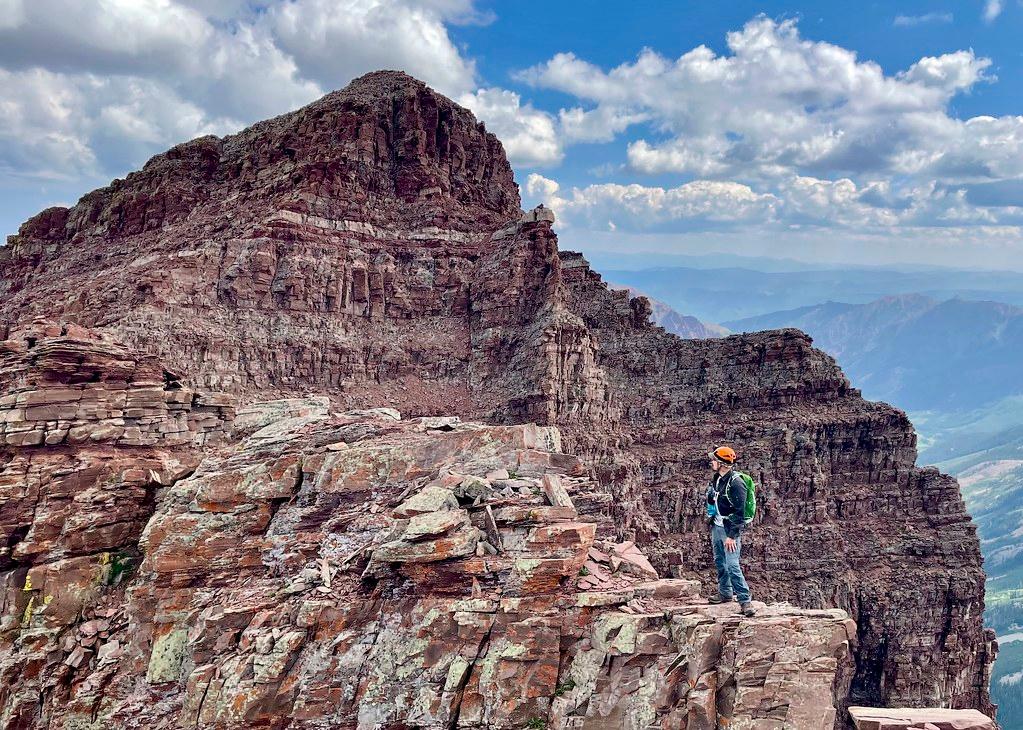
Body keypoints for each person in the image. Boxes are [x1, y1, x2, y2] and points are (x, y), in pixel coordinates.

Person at [705, 445, 756, 617]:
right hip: (717, 527)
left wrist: (732, 536)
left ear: (722, 464)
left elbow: (740, 512)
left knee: (732, 565)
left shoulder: (736, 483)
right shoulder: (718, 479)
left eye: (714, 460)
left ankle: (745, 601)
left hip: (729, 530)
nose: (711, 462)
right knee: (720, 561)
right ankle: (725, 593)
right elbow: (714, 498)